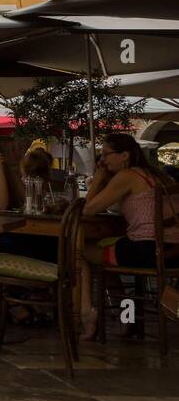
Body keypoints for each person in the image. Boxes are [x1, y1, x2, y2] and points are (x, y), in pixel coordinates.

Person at [80, 133, 179, 338]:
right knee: (106, 257)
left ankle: (90, 315)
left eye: (106, 154)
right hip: (173, 249)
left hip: (147, 250)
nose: (102, 160)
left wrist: (98, 179)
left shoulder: (127, 176)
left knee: (82, 251)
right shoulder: (157, 175)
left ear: (124, 155)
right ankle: (127, 317)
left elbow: (88, 209)